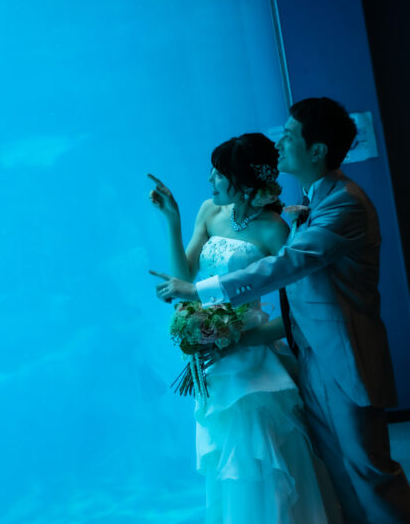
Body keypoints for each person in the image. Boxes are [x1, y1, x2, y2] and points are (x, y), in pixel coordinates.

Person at [153, 97, 410, 523]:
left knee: (368, 470)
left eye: (289, 135)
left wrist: (201, 294)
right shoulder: (311, 204)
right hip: (306, 355)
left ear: (317, 150)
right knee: (337, 470)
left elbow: (286, 266)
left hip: (341, 356)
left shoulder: (342, 204)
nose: (280, 143)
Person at [148, 132, 339, 523]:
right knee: (227, 464)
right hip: (216, 363)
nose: (211, 182)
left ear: (245, 180)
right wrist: (173, 220)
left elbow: (296, 312)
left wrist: (239, 338)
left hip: (253, 359)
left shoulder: (274, 231)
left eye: (219, 174)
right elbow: (183, 283)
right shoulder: (209, 212)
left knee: (263, 457)